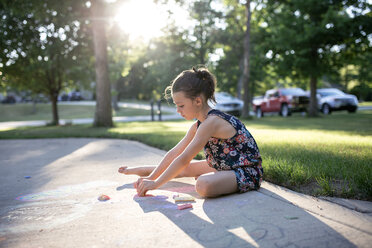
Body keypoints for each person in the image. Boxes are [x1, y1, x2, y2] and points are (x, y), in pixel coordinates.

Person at [118, 67, 263, 198]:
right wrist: (151, 179)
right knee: (180, 169)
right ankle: (139, 171)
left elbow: (184, 158)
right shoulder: (197, 125)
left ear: (198, 101)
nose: (177, 110)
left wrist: (156, 184)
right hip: (223, 166)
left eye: (181, 105)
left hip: (247, 171)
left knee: (202, 184)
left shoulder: (211, 122)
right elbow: (174, 154)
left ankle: (217, 177)